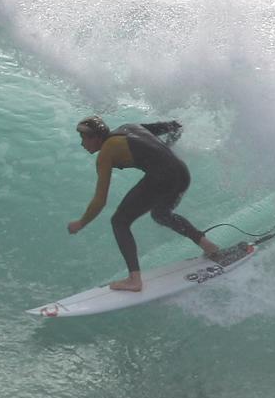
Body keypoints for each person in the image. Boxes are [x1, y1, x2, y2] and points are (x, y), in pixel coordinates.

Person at [68, 115, 219, 292]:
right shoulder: (131, 126)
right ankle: (208, 246)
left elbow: (100, 200)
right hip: (181, 172)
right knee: (160, 214)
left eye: (84, 139)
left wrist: (81, 223)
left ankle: (134, 280)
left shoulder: (106, 153)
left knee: (119, 221)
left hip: (162, 177)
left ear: (96, 138)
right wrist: (165, 152)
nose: (82, 144)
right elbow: (175, 126)